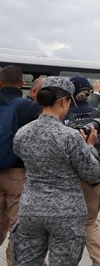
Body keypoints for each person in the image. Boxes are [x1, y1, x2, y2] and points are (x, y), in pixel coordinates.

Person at [11, 76, 100, 266]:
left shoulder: (23, 133)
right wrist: (90, 146)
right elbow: (92, 173)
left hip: (31, 209)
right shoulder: (69, 137)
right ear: (64, 101)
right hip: (66, 212)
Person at [65, 75, 100, 266]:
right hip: (94, 177)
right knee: (90, 222)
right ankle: (99, 262)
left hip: (69, 178)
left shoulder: (62, 116)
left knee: (67, 223)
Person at [0, 66, 40, 266]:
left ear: (0, 82)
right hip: (18, 174)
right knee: (17, 227)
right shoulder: (29, 107)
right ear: (22, 83)